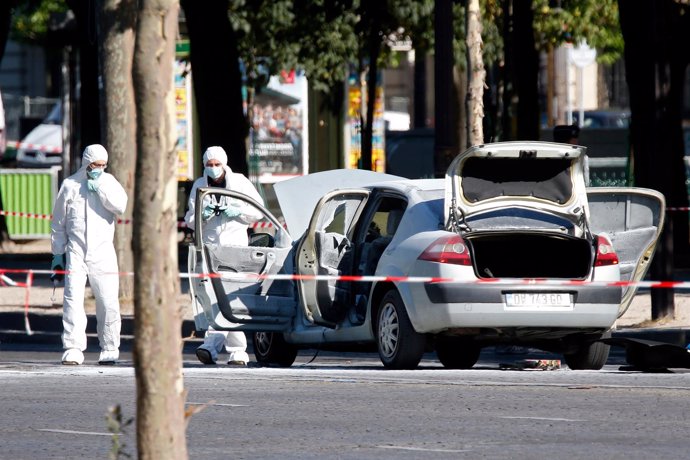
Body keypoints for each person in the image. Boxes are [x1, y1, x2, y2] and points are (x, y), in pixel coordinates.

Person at [184, 146, 264, 366]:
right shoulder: (200, 186)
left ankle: (235, 350)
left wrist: (238, 213)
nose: (213, 169)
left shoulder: (239, 182)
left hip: (234, 248)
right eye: (209, 165)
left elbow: (258, 211)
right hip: (209, 248)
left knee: (232, 298)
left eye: (216, 164)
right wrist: (203, 215)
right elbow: (190, 219)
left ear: (224, 163)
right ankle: (211, 348)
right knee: (210, 298)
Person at [51, 144, 128, 365]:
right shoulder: (70, 185)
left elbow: (121, 206)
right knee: (72, 299)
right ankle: (73, 347)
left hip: (103, 252)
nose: (99, 169)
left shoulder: (109, 182)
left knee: (107, 300)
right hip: (76, 251)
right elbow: (58, 223)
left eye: (103, 165)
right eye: (95, 165)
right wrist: (57, 254)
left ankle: (110, 346)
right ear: (86, 163)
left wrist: (100, 189)